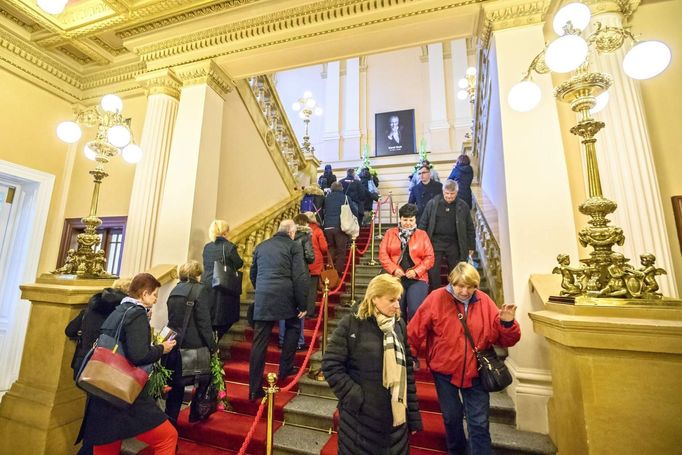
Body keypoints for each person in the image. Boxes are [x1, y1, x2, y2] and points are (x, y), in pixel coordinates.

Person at [407, 263, 520, 455]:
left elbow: (504, 339)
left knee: (479, 422)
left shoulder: (484, 301)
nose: (465, 291)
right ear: (451, 282)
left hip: (476, 372)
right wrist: (411, 354)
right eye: (460, 286)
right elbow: (415, 330)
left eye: (471, 287)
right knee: (452, 419)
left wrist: (507, 323)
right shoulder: (436, 298)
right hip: (444, 371)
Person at [322, 274, 422, 455]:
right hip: (359, 423)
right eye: (391, 300)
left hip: (395, 421)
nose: (398, 305)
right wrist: (357, 397)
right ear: (375, 298)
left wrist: (412, 417)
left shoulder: (398, 325)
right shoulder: (352, 324)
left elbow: (407, 372)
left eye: (398, 299)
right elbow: (331, 365)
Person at [79, 273, 178, 455]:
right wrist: (161, 348)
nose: (156, 300)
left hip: (102, 387)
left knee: (106, 443)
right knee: (167, 436)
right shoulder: (136, 314)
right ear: (145, 293)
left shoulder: (118, 310)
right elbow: (139, 355)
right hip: (124, 390)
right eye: (155, 295)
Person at [65, 277, 131, 455]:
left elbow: (70, 330)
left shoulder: (93, 305)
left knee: (93, 411)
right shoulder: (122, 311)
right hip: (104, 368)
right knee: (100, 417)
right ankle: (88, 450)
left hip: (82, 363)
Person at [249, 220, 309, 400]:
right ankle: (285, 369)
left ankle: (254, 389)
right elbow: (299, 276)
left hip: (263, 297)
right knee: (293, 327)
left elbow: (253, 273)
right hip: (286, 297)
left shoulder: (261, 246)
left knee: (259, 342)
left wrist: (261, 290)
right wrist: (303, 304)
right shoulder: (294, 246)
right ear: (292, 232)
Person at [164, 260, 218, 426]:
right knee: (205, 379)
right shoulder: (200, 290)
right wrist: (212, 346)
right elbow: (204, 322)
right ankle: (196, 413)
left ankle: (170, 423)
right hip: (195, 346)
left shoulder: (175, 289)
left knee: (176, 387)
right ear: (197, 274)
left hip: (175, 345)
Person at [65, 277, 131, 381]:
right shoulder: (124, 312)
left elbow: (70, 330)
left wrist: (84, 332)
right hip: (106, 365)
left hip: (83, 361)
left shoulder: (92, 306)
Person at [379, 203, 434, 321]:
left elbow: (430, 258)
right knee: (398, 312)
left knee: (415, 310)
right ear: (400, 219)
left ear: (415, 220)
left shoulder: (422, 235)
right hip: (395, 279)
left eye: (411, 220)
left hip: (417, 279)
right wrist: (394, 269)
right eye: (405, 219)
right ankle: (400, 337)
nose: (408, 223)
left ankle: (413, 337)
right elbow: (383, 255)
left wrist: (416, 271)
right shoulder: (390, 233)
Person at [418, 180, 476, 290]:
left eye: (452, 194)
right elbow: (423, 224)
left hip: (454, 242)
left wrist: (471, 246)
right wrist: (420, 243)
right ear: (443, 191)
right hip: (435, 242)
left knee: (456, 271)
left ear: (457, 192)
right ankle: (436, 293)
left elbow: (470, 227)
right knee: (433, 270)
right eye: (446, 193)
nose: (449, 196)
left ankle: (454, 293)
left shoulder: (463, 206)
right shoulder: (433, 203)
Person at [201, 219, 244, 341]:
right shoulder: (229, 247)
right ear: (225, 232)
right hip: (223, 286)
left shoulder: (207, 247)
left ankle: (211, 345)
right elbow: (239, 263)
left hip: (207, 285)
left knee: (210, 318)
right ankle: (213, 345)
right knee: (225, 318)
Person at [279, 214, 315, 351]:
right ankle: (299, 341)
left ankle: (282, 340)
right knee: (300, 309)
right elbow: (310, 257)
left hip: (285, 275)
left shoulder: (282, 239)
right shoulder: (306, 236)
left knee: (283, 309)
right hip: (300, 273)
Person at [303, 210, 328, 315]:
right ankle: (310, 311)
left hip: (302, 262)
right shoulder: (317, 231)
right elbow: (324, 247)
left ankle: (300, 309)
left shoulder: (300, 231)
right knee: (312, 289)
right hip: (314, 262)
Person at [323, 181, 350, 272]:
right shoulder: (345, 198)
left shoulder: (326, 198)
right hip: (340, 227)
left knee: (331, 248)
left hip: (327, 227)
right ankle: (338, 272)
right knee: (341, 250)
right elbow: (353, 211)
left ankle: (330, 269)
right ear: (342, 188)